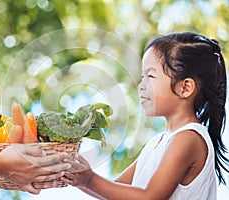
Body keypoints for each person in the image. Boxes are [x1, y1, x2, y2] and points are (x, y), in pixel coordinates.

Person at [62, 32, 229, 199]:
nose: (141, 85)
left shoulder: (188, 138)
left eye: (151, 76)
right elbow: (115, 192)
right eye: (143, 76)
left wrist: (89, 179)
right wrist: (75, 177)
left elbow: (150, 197)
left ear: (185, 88)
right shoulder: (158, 143)